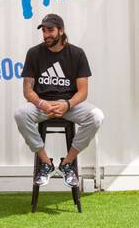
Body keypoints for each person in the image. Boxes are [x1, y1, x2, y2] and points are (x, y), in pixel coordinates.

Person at [14, 14, 104, 187]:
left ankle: (67, 163)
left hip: (69, 105)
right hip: (42, 105)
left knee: (96, 117)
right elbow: (27, 90)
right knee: (20, 114)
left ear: (61, 31)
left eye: (50, 30)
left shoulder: (77, 53)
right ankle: (45, 163)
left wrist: (67, 104)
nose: (46, 35)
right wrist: (42, 104)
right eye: (44, 31)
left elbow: (83, 91)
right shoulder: (34, 53)